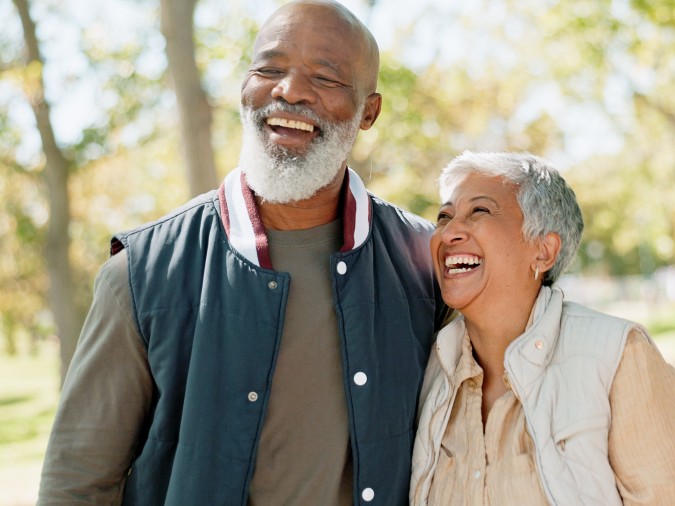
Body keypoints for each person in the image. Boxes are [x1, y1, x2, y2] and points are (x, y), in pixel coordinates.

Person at [38, 1, 450, 504]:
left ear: (369, 111)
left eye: (325, 77)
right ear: (244, 87)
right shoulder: (141, 273)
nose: (290, 91)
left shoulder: (425, 266)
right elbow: (77, 480)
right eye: (270, 69)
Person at [409, 151, 675, 505]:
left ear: (543, 251)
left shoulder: (618, 355)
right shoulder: (430, 365)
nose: (449, 232)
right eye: (444, 217)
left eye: (479, 211)